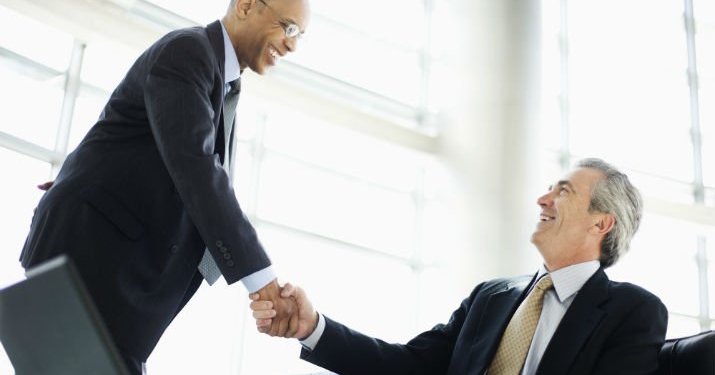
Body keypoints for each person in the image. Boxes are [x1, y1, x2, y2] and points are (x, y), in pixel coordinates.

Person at [20, 0, 310, 372]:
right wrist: (261, 279)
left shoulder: (220, 80)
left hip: (118, 286)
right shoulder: (188, 53)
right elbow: (197, 170)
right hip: (89, 269)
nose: (292, 45)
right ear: (247, 5)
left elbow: (144, 153)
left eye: (299, 36)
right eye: (288, 28)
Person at [250, 158, 668, 375]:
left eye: (562, 192)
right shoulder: (491, 297)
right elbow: (409, 367)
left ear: (602, 222)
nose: (542, 200)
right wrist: (312, 327)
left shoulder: (633, 312)